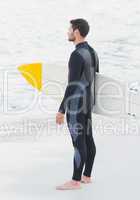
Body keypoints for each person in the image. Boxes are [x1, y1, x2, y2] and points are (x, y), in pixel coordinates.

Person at [56, 18, 99, 190]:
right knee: (88, 139)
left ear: (76, 32)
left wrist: (61, 110)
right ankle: (86, 176)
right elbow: (95, 80)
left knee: (78, 141)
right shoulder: (93, 52)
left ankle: (75, 181)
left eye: (69, 29)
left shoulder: (76, 55)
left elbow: (72, 85)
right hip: (88, 103)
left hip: (76, 105)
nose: (67, 32)